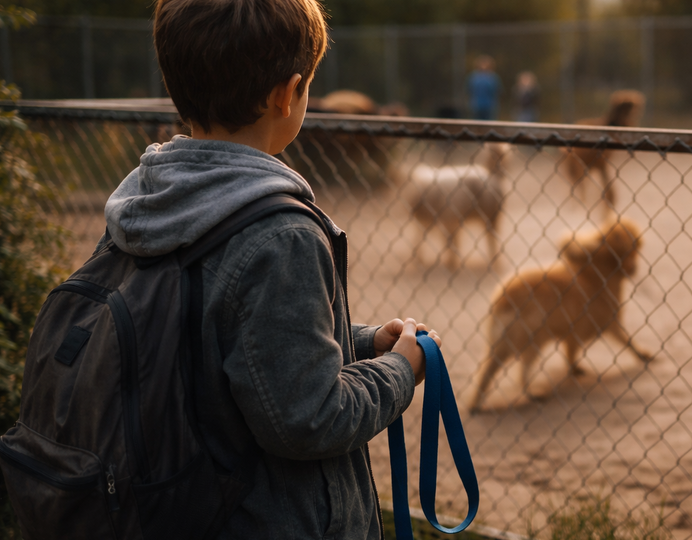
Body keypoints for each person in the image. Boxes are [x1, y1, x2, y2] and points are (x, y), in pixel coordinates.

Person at [105, 0, 437, 537]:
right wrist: (400, 370)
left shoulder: (147, 200)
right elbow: (310, 418)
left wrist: (364, 342)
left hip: (175, 504)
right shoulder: (281, 236)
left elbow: (222, 337)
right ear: (287, 94)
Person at [467, 55, 500, 120]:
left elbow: (497, 91)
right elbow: (469, 90)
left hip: (489, 106)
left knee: (489, 125)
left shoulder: (493, 77)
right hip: (476, 105)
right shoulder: (474, 77)